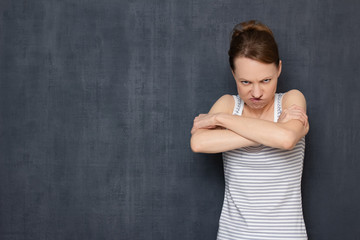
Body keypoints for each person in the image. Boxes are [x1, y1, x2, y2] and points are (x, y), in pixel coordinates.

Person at [190, 20, 309, 240]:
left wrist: (219, 119)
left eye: (266, 80)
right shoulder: (229, 104)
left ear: (279, 68)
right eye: (245, 82)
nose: (256, 92)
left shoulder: (292, 100)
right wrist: (270, 132)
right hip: (233, 235)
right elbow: (199, 143)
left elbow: (285, 139)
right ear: (233, 74)